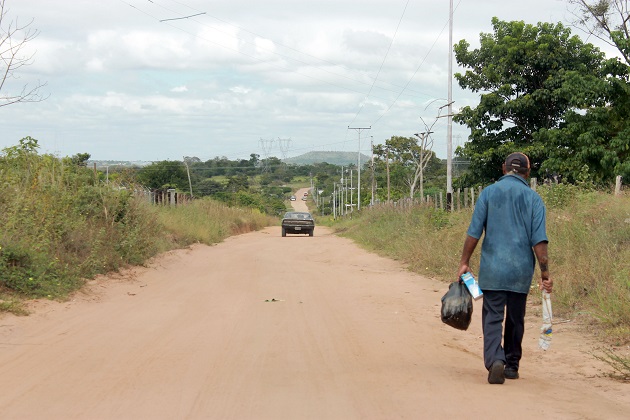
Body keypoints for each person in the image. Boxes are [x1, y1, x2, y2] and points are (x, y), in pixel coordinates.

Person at [457, 152, 553, 384]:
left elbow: (474, 232)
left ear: (503, 168)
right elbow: (539, 241)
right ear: (527, 172)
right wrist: (545, 274)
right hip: (521, 270)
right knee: (516, 318)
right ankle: (511, 365)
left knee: (492, 316)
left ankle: (495, 360)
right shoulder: (533, 198)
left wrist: (464, 261)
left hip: (493, 268)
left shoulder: (488, 193)